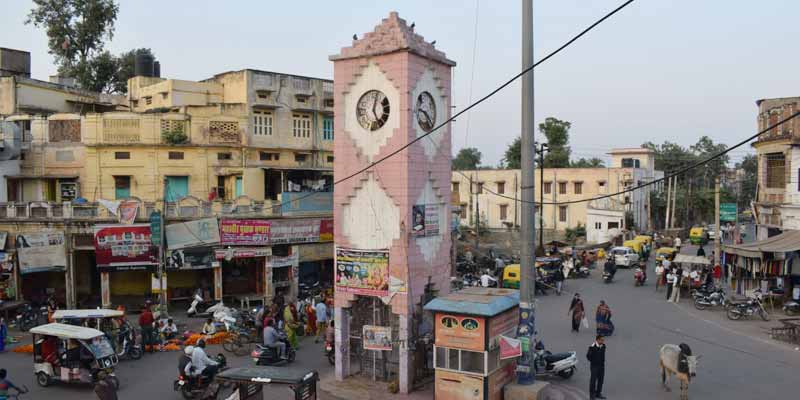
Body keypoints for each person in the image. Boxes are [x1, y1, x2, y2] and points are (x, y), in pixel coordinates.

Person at [586, 335, 607, 400]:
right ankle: (592, 395)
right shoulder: (592, 347)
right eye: (601, 340)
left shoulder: (603, 346)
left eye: (603, 340)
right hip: (594, 366)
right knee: (593, 381)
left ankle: (598, 393)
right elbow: (588, 356)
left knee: (601, 380)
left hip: (601, 366)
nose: (603, 341)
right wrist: (594, 361)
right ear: (597, 340)